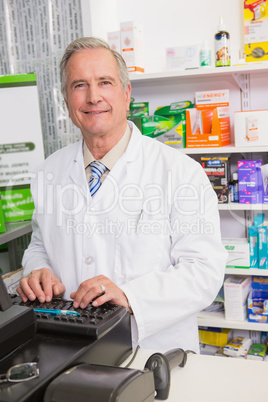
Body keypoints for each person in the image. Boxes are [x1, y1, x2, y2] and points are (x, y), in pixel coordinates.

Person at [17, 37, 227, 352]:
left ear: (126, 94)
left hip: (152, 353)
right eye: (79, 85)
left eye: (105, 82)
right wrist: (38, 270)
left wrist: (130, 296)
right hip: (66, 347)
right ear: (66, 100)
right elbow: (39, 245)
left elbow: (204, 272)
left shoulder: (179, 173)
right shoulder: (49, 172)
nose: (93, 96)